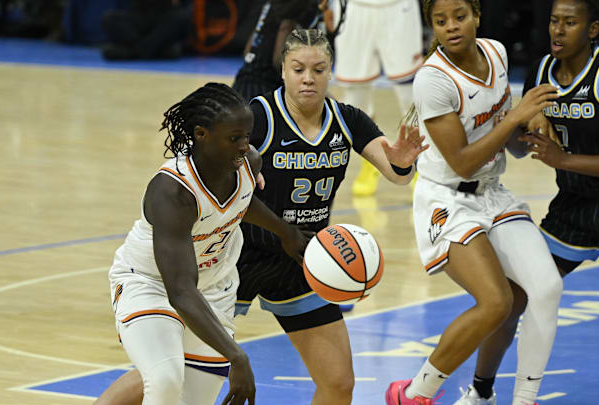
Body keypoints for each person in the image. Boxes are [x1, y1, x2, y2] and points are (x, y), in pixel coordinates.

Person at [383, 1, 565, 405]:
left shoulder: (497, 54)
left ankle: (508, 397)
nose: (451, 27)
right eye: (440, 21)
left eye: (459, 16)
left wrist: (534, 135)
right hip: (447, 198)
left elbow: (509, 146)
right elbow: (462, 161)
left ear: (478, 16)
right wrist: (517, 116)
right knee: (496, 300)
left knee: (543, 288)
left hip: (491, 193)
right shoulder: (432, 80)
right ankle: (414, 394)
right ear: (430, 25)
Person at [235, 28, 428, 404]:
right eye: (298, 69)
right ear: (284, 71)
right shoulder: (256, 117)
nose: (309, 78)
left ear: (331, 71)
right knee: (179, 369)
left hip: (305, 259)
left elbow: (394, 172)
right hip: (239, 255)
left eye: (319, 69)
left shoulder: (348, 120)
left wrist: (403, 162)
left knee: (339, 383)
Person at [99, 82, 309, 405]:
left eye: (247, 136)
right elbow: (181, 291)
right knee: (164, 380)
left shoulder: (248, 163)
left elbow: (242, 201)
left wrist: (285, 232)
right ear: (201, 134)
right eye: (234, 138)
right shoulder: (173, 193)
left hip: (216, 289)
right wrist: (237, 357)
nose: (244, 146)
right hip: (151, 284)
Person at [455, 1, 599, 403]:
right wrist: (516, 123)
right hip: (574, 206)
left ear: (593, 29)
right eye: (553, 21)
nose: (558, 31)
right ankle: (481, 392)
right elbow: (518, 148)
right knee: (510, 300)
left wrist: (564, 159)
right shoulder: (543, 71)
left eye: (570, 23)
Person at [330, 0, 424, 196]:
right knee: (355, 98)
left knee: (410, 93)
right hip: (352, 8)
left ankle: (419, 165)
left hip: (398, 7)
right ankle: (370, 161)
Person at [231, 0, 328, 101]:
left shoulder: (270, 4)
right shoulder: (304, 6)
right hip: (265, 90)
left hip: (239, 86)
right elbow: (279, 60)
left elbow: (248, 51)